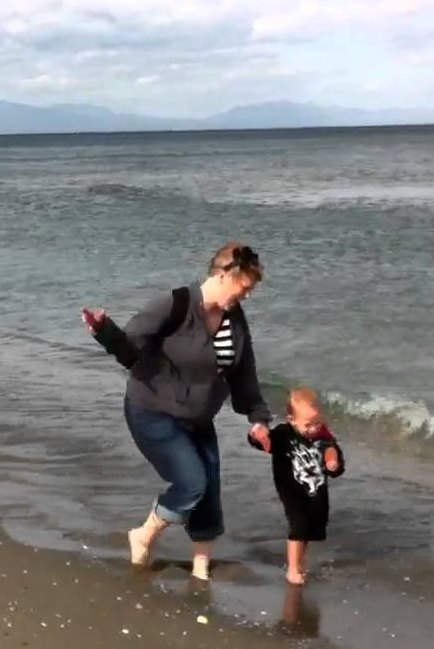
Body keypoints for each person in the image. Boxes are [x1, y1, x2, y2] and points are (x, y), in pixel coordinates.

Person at [81, 241, 271, 580]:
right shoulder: (175, 304)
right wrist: (105, 332)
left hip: (198, 419)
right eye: (245, 288)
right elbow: (130, 351)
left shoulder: (235, 321)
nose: (247, 296)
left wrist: (258, 419)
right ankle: (143, 535)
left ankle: (200, 572)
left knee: (209, 493)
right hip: (152, 411)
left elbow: (244, 374)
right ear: (225, 275)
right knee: (192, 482)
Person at [248, 386, 344, 585]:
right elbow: (266, 443)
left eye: (318, 423)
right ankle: (292, 569)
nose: (314, 429)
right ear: (292, 420)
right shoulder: (284, 434)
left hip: (316, 489)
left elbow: (332, 451)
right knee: (298, 524)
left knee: (312, 527)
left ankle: (300, 562)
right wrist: (258, 436)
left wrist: (333, 463)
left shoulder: (323, 436)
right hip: (291, 489)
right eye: (308, 425)